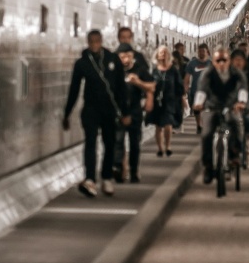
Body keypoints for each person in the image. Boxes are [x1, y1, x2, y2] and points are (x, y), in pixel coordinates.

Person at [63, 29, 129, 197]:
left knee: (109, 143)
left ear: (101, 41)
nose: (94, 45)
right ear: (88, 42)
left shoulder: (112, 59)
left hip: (109, 110)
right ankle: (90, 179)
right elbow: (74, 89)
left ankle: (106, 177)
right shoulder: (82, 63)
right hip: (91, 109)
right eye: (91, 42)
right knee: (90, 143)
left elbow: (121, 87)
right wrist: (67, 113)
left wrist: (125, 111)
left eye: (96, 41)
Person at [193, 47, 248, 184]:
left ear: (229, 61)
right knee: (206, 134)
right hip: (213, 106)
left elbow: (242, 88)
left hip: (231, 105)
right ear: (214, 61)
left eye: (225, 60)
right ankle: (207, 166)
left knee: (236, 125)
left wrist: (241, 102)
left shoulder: (236, 73)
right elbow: (202, 90)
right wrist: (199, 103)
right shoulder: (208, 73)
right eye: (219, 60)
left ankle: (235, 154)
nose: (222, 63)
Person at [112, 44, 155, 184]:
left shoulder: (139, 70)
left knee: (134, 142)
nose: (125, 59)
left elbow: (152, 86)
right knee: (118, 140)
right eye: (122, 56)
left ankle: (134, 170)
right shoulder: (113, 71)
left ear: (133, 56)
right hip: (118, 112)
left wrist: (138, 82)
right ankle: (119, 168)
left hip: (134, 110)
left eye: (128, 56)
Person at [149, 45, 186, 157]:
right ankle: (160, 148)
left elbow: (179, 85)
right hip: (157, 101)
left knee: (168, 123)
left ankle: (168, 146)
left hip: (170, 101)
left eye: (165, 53)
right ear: (157, 55)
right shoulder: (154, 70)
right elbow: (150, 84)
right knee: (158, 126)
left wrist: (183, 98)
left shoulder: (173, 70)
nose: (163, 55)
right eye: (161, 53)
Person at [185, 43, 212, 135]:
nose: (201, 53)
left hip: (208, 90)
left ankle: (205, 125)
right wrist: (186, 88)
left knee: (207, 109)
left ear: (207, 52)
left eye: (203, 51)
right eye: (200, 51)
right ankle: (199, 125)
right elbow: (187, 77)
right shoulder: (192, 64)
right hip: (195, 90)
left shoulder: (210, 63)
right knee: (197, 110)